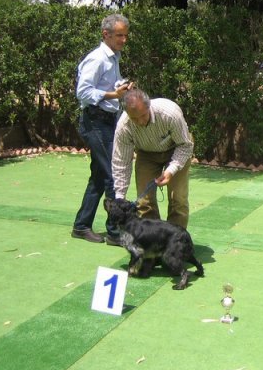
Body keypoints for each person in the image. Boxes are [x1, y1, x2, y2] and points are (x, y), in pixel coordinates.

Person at [72, 13, 133, 245]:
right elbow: (83, 92)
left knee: (99, 177)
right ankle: (115, 232)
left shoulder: (113, 57)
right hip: (95, 122)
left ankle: (81, 226)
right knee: (112, 176)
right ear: (105, 34)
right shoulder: (97, 59)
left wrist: (122, 88)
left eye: (126, 35)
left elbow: (108, 87)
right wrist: (113, 95)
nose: (124, 40)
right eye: (119, 35)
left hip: (107, 121)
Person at [112, 88, 194, 229]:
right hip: (146, 154)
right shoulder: (123, 127)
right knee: (144, 202)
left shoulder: (170, 114)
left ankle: (177, 242)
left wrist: (170, 171)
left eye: (143, 115)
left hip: (176, 148)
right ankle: (153, 242)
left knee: (178, 199)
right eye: (134, 118)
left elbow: (185, 145)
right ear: (127, 113)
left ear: (149, 105)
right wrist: (120, 195)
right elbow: (121, 162)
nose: (140, 122)